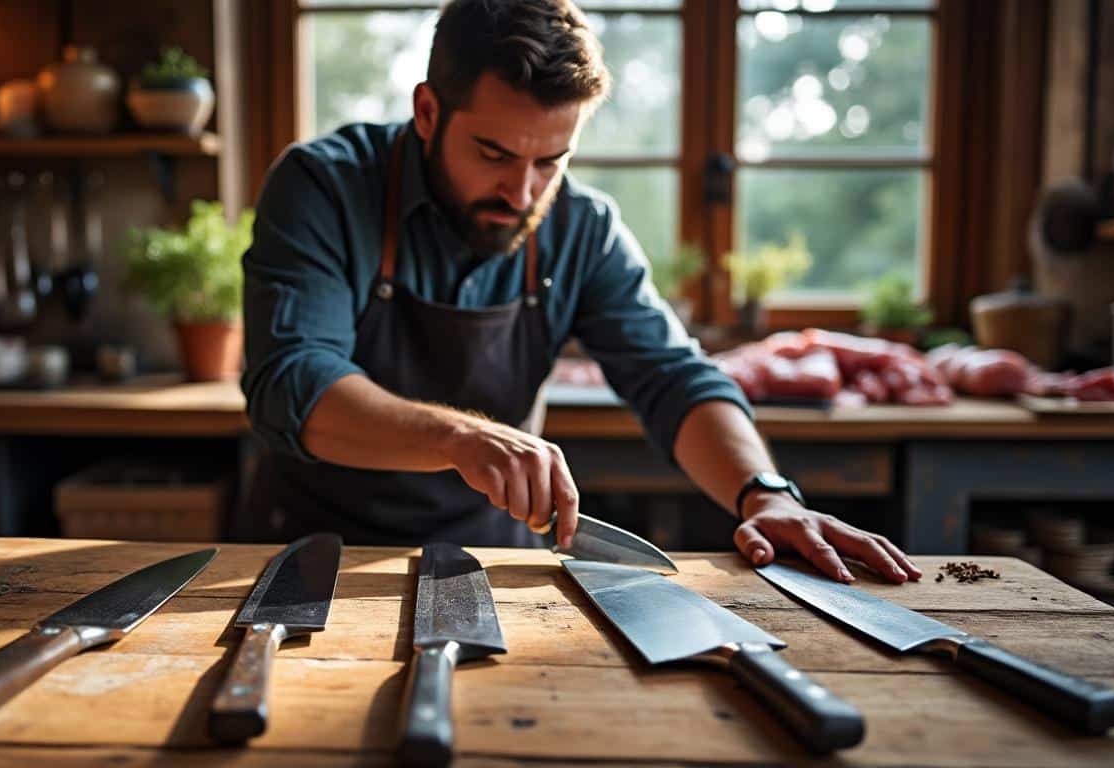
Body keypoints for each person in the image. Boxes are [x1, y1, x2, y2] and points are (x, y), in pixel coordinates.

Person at [240, 0, 921, 584]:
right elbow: (293, 382)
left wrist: (764, 495)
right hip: (311, 556)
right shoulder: (323, 187)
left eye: (551, 160)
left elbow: (673, 378)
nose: (523, 191)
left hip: (488, 562)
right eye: (494, 154)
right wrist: (459, 437)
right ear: (427, 111)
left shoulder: (581, 228)